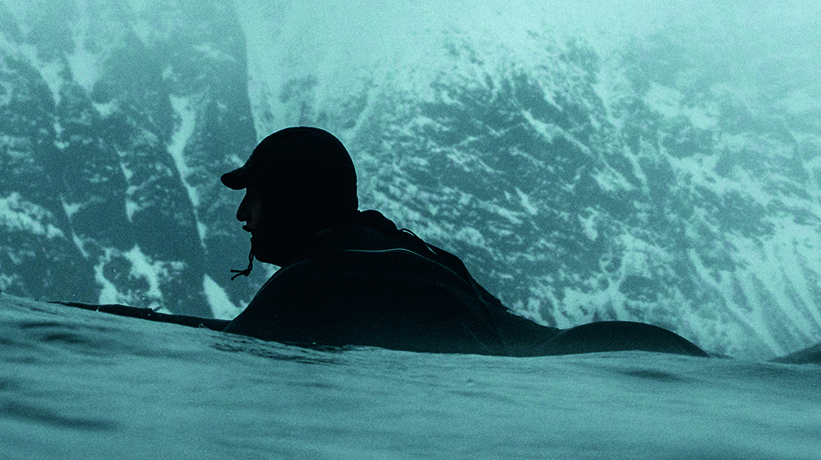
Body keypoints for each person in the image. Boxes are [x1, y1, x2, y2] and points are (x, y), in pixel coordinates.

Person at [218, 127, 706, 357]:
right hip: (591, 353)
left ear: (291, 203)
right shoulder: (413, 254)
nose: (243, 214)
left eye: (255, 199)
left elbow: (235, 347)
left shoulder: (310, 284)